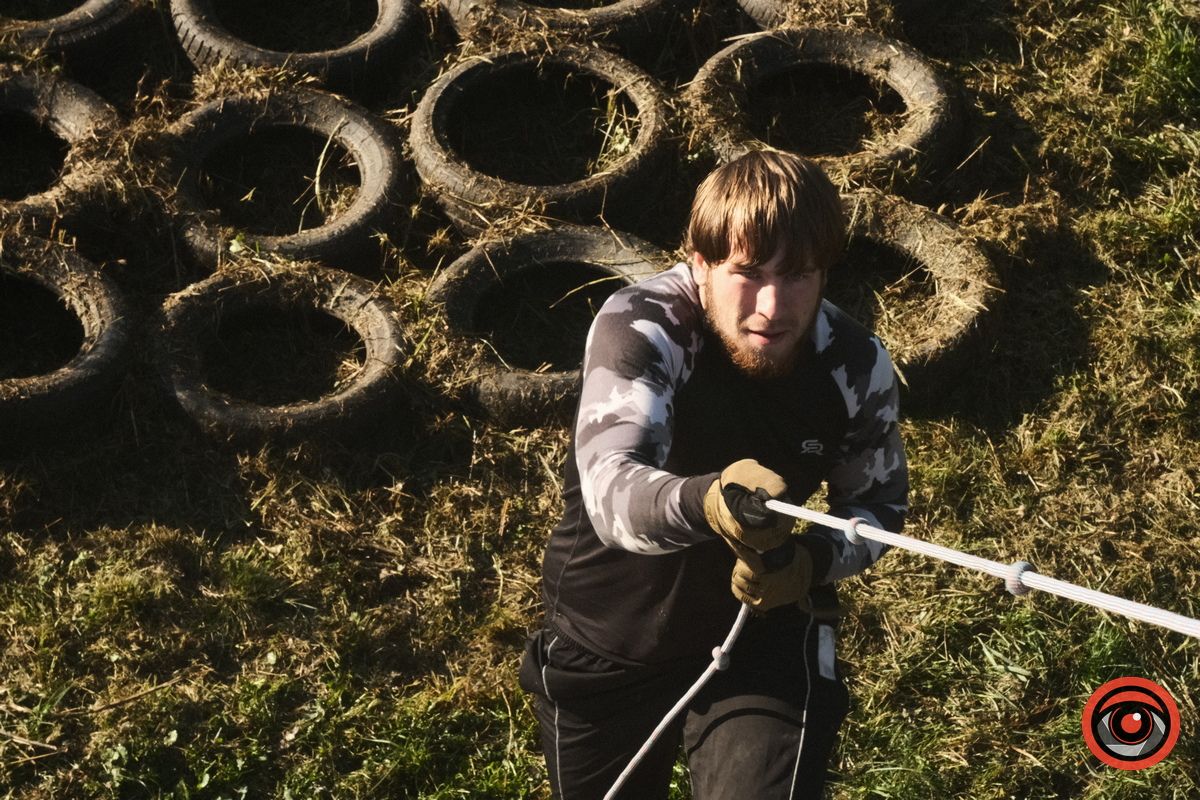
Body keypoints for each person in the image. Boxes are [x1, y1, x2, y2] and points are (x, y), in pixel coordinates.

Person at [519, 149, 909, 799]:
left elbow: (878, 507)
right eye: (749, 273)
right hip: (612, 635)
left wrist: (808, 564)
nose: (772, 307)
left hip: (759, 635)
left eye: (800, 274)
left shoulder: (854, 364)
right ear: (700, 264)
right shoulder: (644, 325)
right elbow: (611, 492)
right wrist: (711, 502)